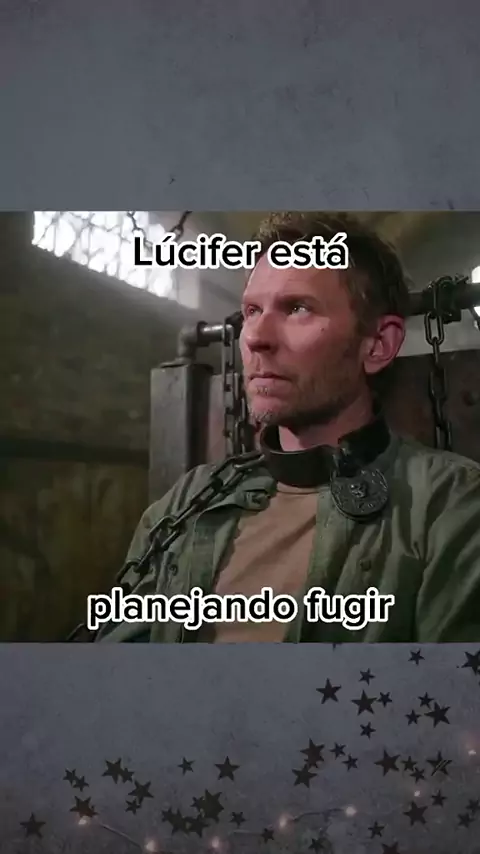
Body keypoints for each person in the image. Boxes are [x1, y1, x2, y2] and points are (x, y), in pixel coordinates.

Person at [92, 211, 480, 643]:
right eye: (252, 310)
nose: (255, 337)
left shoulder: (451, 504)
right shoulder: (186, 501)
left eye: (298, 308)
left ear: (378, 344)